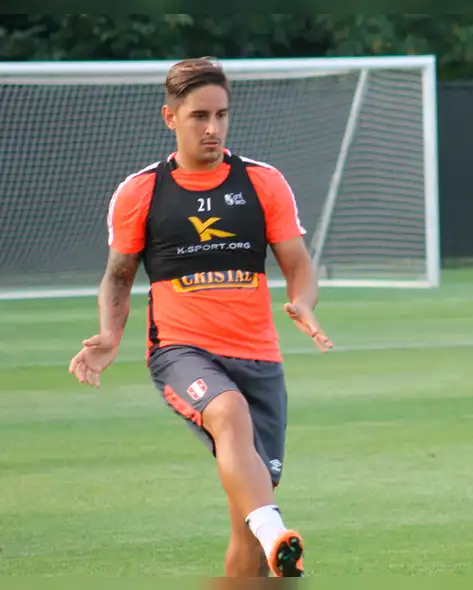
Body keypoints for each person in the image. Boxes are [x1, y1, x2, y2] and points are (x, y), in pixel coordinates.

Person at [68, 57, 333, 579]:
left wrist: (303, 301)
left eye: (221, 115)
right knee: (227, 412)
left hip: (259, 358)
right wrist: (110, 335)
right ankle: (275, 528)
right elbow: (118, 277)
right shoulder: (141, 191)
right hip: (181, 351)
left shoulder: (263, 182)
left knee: (247, 538)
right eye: (199, 116)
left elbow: (298, 265)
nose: (213, 128)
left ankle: (266, 535)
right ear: (170, 117)